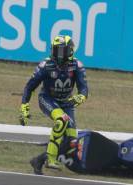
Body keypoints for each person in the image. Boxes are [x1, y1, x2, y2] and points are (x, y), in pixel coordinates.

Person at [19, 35, 89, 175]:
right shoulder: (45, 65)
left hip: (66, 103)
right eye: (56, 50)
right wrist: (24, 107)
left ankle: (38, 160)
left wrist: (80, 97)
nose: (58, 54)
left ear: (70, 51)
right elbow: (29, 87)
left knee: (72, 141)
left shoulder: (77, 66)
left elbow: (84, 89)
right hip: (47, 99)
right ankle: (50, 159)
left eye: (62, 51)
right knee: (61, 120)